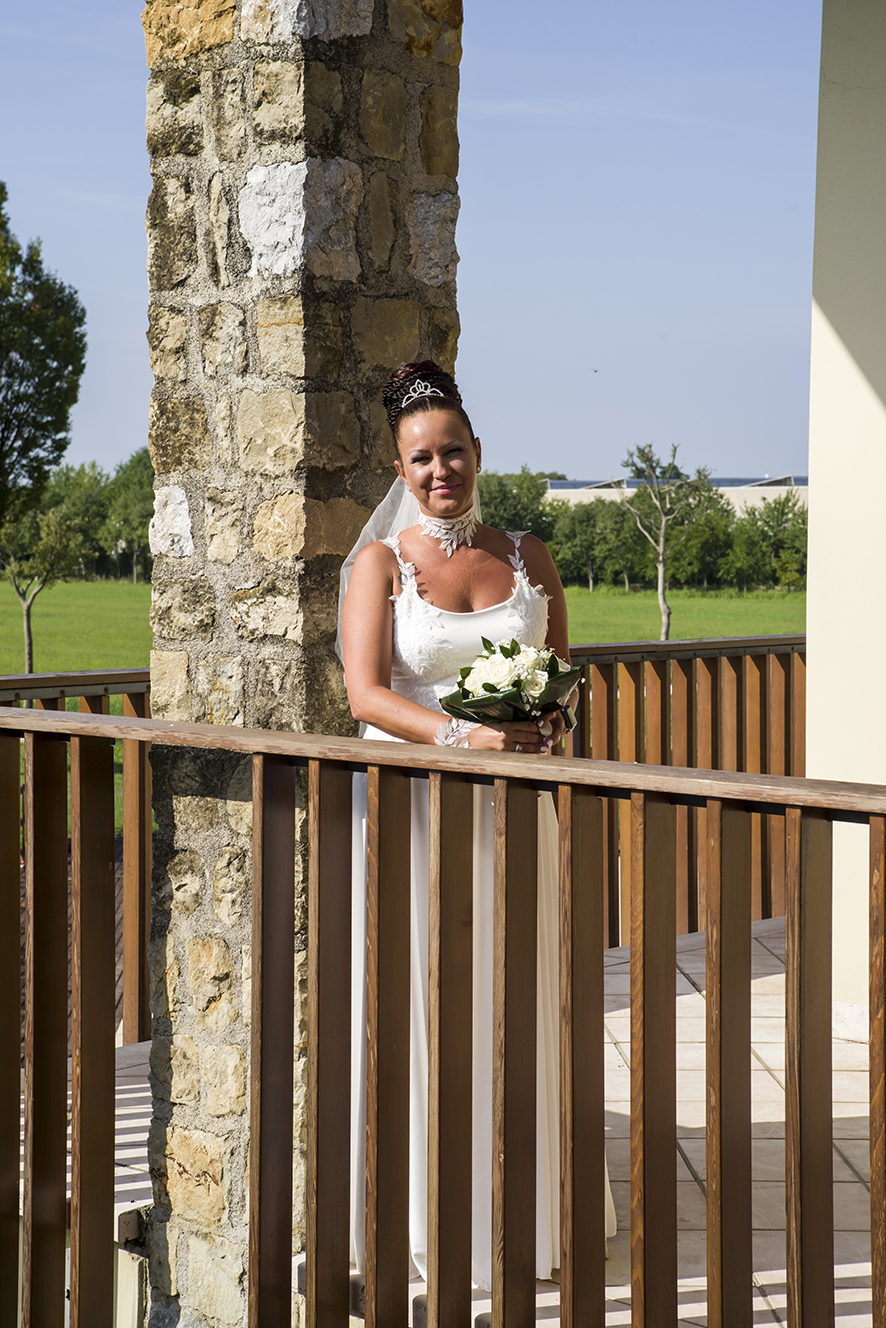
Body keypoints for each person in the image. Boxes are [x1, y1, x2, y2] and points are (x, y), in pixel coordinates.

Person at [340, 360, 616, 1291]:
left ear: (477, 452)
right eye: (420, 458)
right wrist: (464, 735)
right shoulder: (380, 564)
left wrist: (539, 727)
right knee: (424, 1002)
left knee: (517, 992)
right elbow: (366, 692)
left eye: (451, 451)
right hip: (418, 812)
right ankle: (426, 1217)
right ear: (399, 466)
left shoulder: (528, 558)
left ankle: (527, 1213)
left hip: (519, 810)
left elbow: (561, 677)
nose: (439, 470)